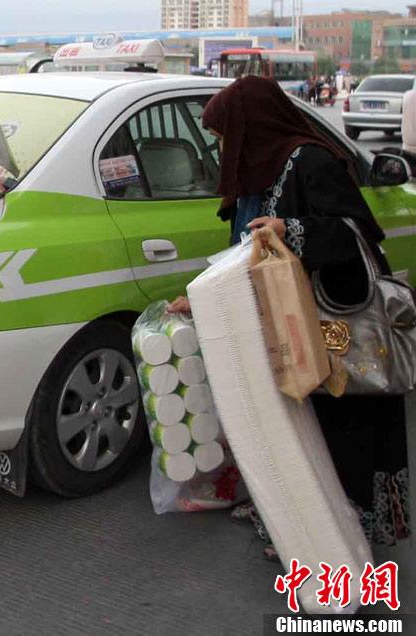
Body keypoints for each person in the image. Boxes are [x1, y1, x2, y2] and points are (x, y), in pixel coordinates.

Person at [169, 76, 410, 554]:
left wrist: (290, 228)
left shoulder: (311, 162)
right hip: (289, 326)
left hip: (334, 329)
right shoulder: (258, 173)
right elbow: (246, 256)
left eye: (224, 137)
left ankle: (343, 539)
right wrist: (198, 300)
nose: (221, 148)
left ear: (249, 127)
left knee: (342, 435)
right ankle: (300, 530)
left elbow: (351, 234)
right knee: (297, 434)